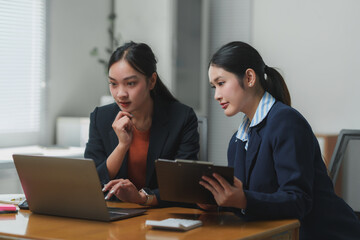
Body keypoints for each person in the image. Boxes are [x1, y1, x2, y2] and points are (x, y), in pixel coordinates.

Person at [199, 41, 360, 239]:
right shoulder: (238, 141)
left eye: (221, 83)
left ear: (249, 78)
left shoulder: (286, 122)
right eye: (213, 86)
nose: (216, 95)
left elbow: (298, 201)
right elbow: (255, 204)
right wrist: (220, 202)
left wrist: (242, 199)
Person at [85, 41, 199, 206]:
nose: (121, 94)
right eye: (113, 84)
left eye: (130, 83)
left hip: (161, 216)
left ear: (152, 81)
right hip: (115, 214)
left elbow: (184, 184)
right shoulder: (100, 118)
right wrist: (122, 146)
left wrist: (142, 198)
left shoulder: (182, 118)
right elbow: (91, 182)